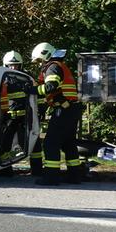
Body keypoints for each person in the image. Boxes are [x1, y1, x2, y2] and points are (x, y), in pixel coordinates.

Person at [31, 41, 86, 185]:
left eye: (40, 60)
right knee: (68, 143)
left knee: (51, 143)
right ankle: (74, 176)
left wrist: (32, 90)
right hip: (71, 109)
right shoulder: (60, 66)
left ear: (46, 55)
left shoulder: (53, 67)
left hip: (63, 110)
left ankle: (51, 177)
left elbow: (50, 87)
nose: (40, 64)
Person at [0, 50, 31, 177]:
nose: (13, 68)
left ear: (20, 65)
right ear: (6, 65)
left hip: (24, 117)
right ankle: (5, 169)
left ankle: (37, 169)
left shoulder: (26, 78)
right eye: (11, 66)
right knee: (5, 142)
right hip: (9, 116)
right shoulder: (3, 79)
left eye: (16, 65)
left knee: (31, 143)